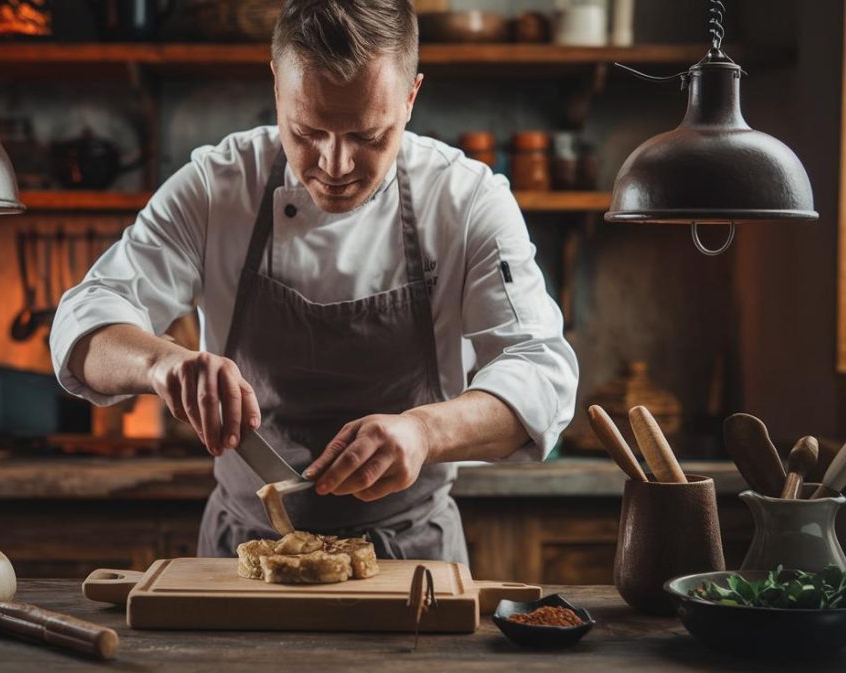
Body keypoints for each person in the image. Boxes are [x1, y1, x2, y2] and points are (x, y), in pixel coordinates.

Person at [51, 0, 578, 564]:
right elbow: (84, 322)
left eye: (368, 136)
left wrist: (426, 431)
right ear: (277, 85)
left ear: (411, 96)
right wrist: (161, 364)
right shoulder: (216, 186)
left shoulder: (466, 200)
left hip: (410, 560)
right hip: (240, 558)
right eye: (307, 131)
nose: (334, 163)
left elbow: (541, 374)